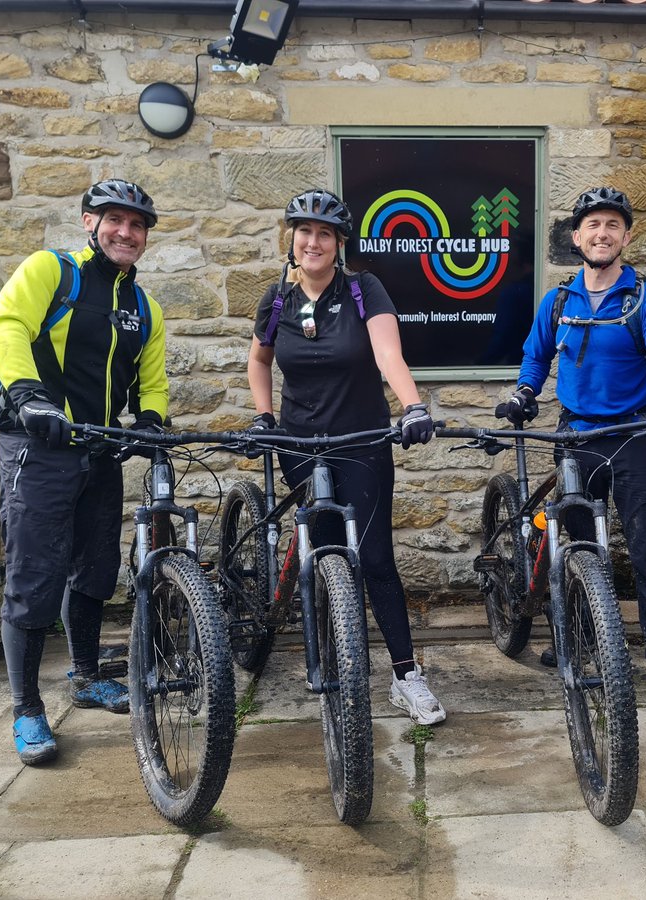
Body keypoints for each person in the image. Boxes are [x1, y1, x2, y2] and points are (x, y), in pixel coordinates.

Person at [0, 179, 169, 765]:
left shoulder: (144, 308)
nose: (126, 232)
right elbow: (6, 327)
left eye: (137, 225)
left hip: (100, 448)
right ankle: (27, 708)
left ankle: (85, 676)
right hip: (37, 447)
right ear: (90, 223)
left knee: (95, 567)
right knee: (34, 574)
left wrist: (151, 421)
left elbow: (152, 381)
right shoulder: (51, 271)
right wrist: (30, 398)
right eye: (115, 220)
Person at [502, 186, 646, 718]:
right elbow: (536, 355)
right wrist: (525, 392)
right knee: (577, 549)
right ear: (576, 237)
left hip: (635, 436)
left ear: (626, 236)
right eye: (592, 225)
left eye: (613, 225)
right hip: (575, 438)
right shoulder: (559, 301)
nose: (602, 233)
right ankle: (581, 640)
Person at [246, 188, 444, 726]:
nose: (313, 241)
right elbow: (260, 361)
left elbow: (387, 353)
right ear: (292, 239)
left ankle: (406, 677)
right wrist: (264, 417)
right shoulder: (277, 300)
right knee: (328, 555)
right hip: (300, 444)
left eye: (325, 234)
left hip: (361, 441)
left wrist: (413, 406)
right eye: (305, 231)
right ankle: (341, 659)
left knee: (375, 558)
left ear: (339, 243)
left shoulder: (364, 290)